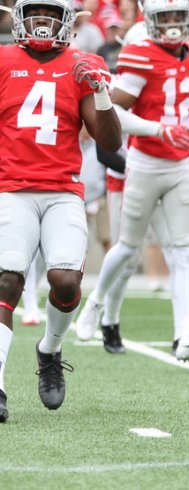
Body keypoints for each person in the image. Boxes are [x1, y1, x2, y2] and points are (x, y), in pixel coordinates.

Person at [75, 0, 189, 361]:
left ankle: (186, 334)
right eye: (164, 17)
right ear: (150, 21)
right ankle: (95, 302)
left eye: (177, 17)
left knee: (186, 251)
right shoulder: (140, 54)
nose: (172, 24)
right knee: (127, 246)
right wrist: (159, 130)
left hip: (183, 165)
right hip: (146, 163)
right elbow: (114, 111)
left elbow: (184, 109)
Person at [0, 0, 122, 421]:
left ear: (67, 21)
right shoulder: (2, 59)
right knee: (7, 279)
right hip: (10, 188)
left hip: (61, 190)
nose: (42, 22)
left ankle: (49, 350)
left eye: (51, 15)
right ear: (19, 17)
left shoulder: (81, 64)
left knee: (66, 280)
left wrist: (102, 93)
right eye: (35, 13)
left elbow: (109, 142)